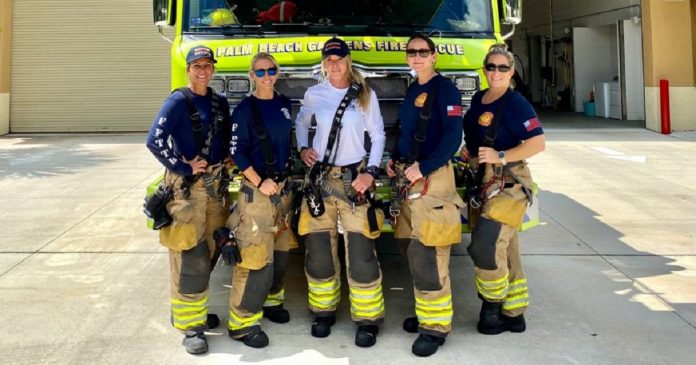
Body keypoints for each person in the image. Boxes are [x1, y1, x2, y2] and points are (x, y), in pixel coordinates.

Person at [295, 37, 386, 348]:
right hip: (320, 180)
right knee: (318, 251)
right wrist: (302, 147)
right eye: (329, 59)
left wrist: (370, 172)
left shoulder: (364, 95)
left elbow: (378, 133)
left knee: (361, 253)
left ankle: (368, 319)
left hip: (353, 181)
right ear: (324, 63)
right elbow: (300, 122)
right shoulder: (313, 93)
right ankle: (323, 312)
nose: (334, 64)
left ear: (348, 61)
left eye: (339, 58)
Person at [145, 45, 232, 355]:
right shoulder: (178, 101)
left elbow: (224, 140)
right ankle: (191, 327)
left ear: (213, 69)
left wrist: (229, 160)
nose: (202, 71)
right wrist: (182, 166)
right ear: (188, 69)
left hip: (214, 189)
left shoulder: (220, 103)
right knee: (188, 256)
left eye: (207, 65)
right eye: (197, 66)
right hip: (186, 190)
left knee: (209, 250)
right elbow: (154, 140)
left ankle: (192, 311)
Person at [386, 34, 465, 357]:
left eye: (423, 52)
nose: (417, 56)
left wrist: (425, 167)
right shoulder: (414, 89)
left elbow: (453, 136)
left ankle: (435, 328)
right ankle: (425, 313)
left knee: (430, 253)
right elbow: (405, 132)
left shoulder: (444, 90)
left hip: (432, 179)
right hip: (409, 179)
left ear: (434, 56)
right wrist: (394, 158)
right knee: (411, 246)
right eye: (412, 52)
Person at [460, 43, 545, 336]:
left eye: (503, 67)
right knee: (506, 245)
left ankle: (492, 307)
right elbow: (475, 139)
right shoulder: (479, 99)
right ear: (484, 70)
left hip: (509, 182)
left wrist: (501, 156)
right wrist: (468, 153)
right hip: (482, 181)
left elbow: (538, 142)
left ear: (512, 72)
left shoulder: (516, 103)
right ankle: (515, 311)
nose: (496, 72)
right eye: (491, 67)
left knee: (485, 243)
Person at [221, 52, 297, 348]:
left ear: (277, 73)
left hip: (282, 191)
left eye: (270, 70)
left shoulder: (283, 104)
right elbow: (237, 152)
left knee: (279, 253)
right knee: (254, 258)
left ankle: (272, 303)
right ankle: (242, 323)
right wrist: (259, 181)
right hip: (257, 193)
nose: (266, 76)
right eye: (260, 72)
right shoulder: (244, 110)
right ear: (251, 76)